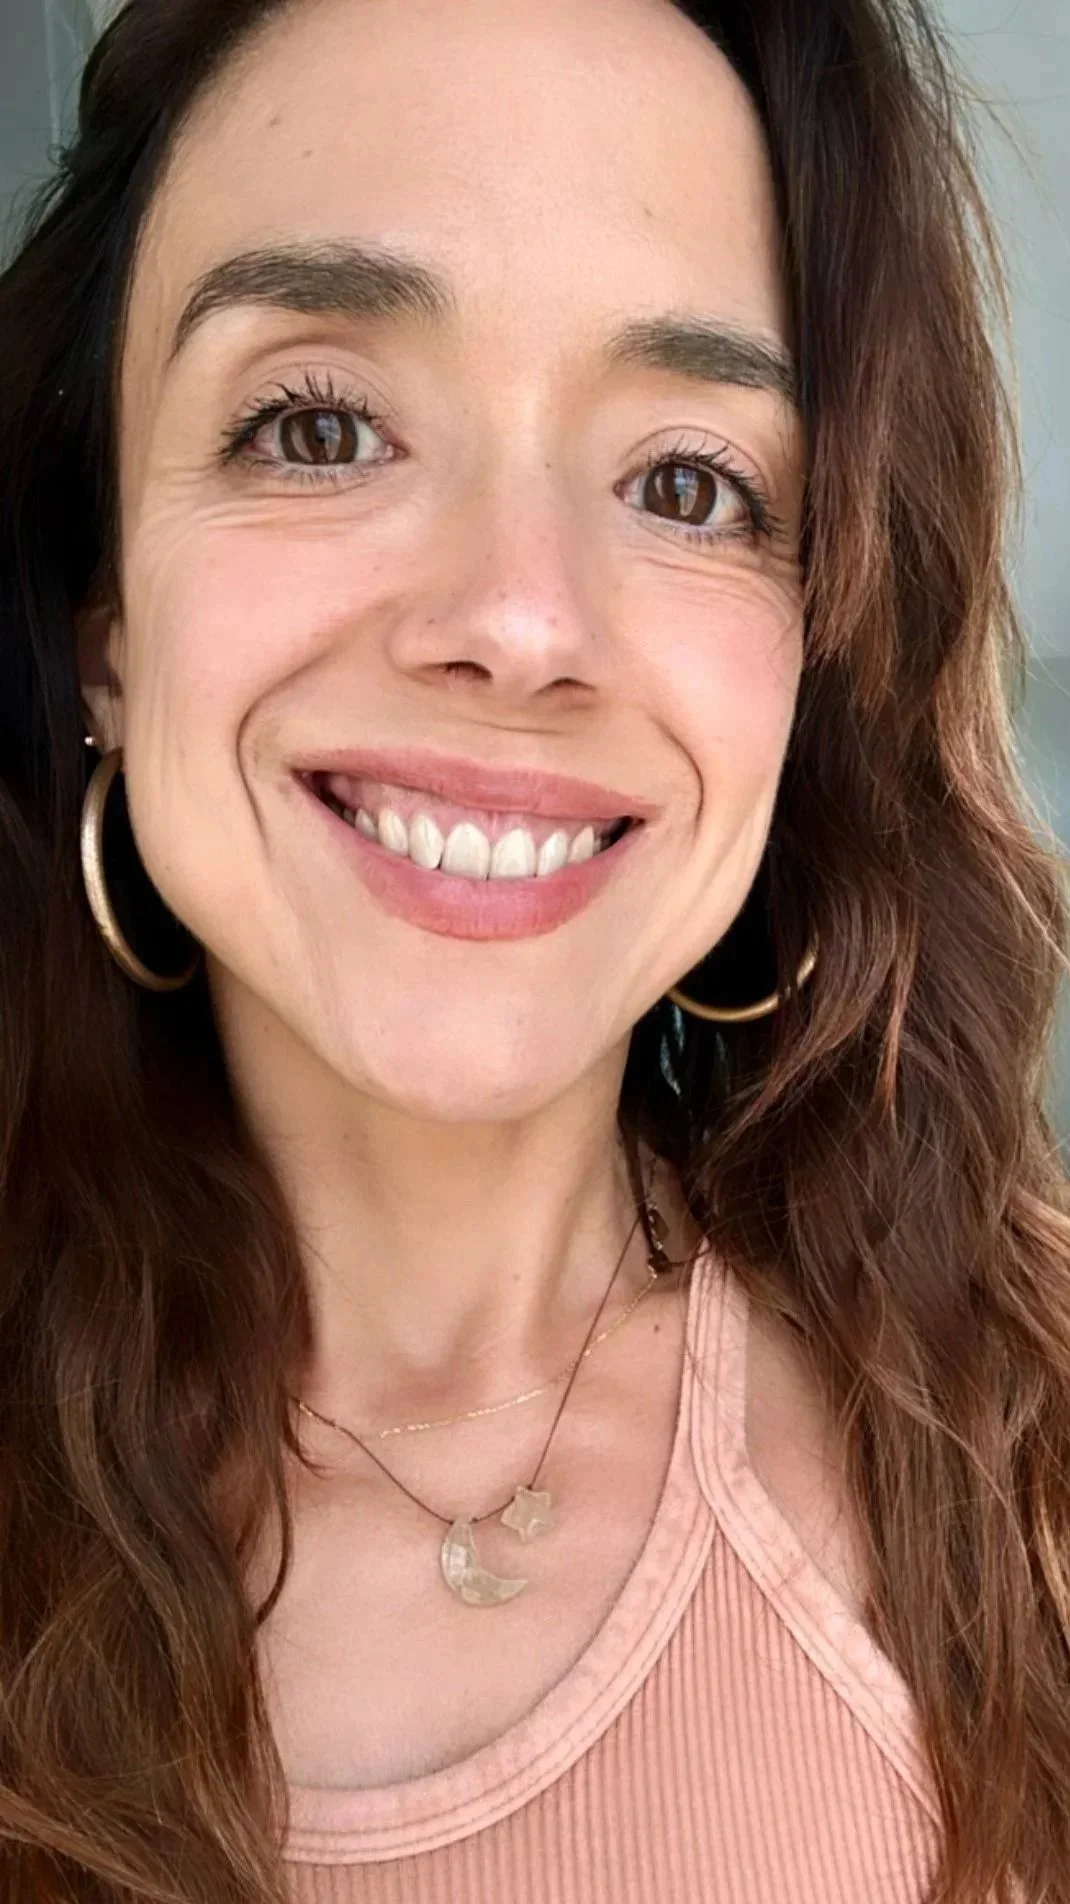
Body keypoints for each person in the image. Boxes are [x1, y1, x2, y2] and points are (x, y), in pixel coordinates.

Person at [0, 0, 1066, 1897]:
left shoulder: (1024, 1451)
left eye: (686, 484)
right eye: (319, 426)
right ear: (104, 615)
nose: (514, 617)